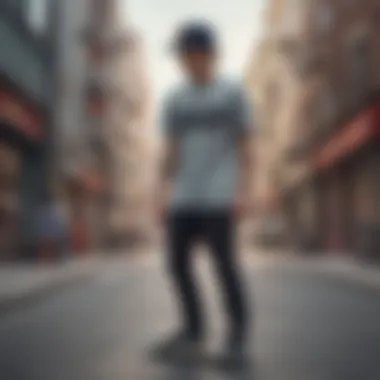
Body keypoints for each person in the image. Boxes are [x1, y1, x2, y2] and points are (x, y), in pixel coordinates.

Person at [155, 21, 255, 364]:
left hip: (220, 192)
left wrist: (245, 190)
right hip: (184, 193)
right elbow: (169, 148)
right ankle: (192, 330)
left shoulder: (232, 92)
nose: (185, 62)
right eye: (182, 56)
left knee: (224, 264)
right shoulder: (174, 98)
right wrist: (160, 191)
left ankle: (237, 337)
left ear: (208, 54)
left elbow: (246, 144)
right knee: (176, 262)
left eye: (191, 54)